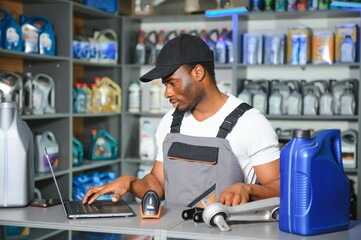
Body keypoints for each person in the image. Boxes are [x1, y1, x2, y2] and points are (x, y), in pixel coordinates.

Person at [83, 34, 280, 208]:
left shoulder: (250, 122)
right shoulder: (170, 121)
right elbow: (157, 185)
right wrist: (131, 183)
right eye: (165, 85)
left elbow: (282, 187)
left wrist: (248, 190)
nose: (167, 93)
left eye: (172, 83)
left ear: (198, 73)